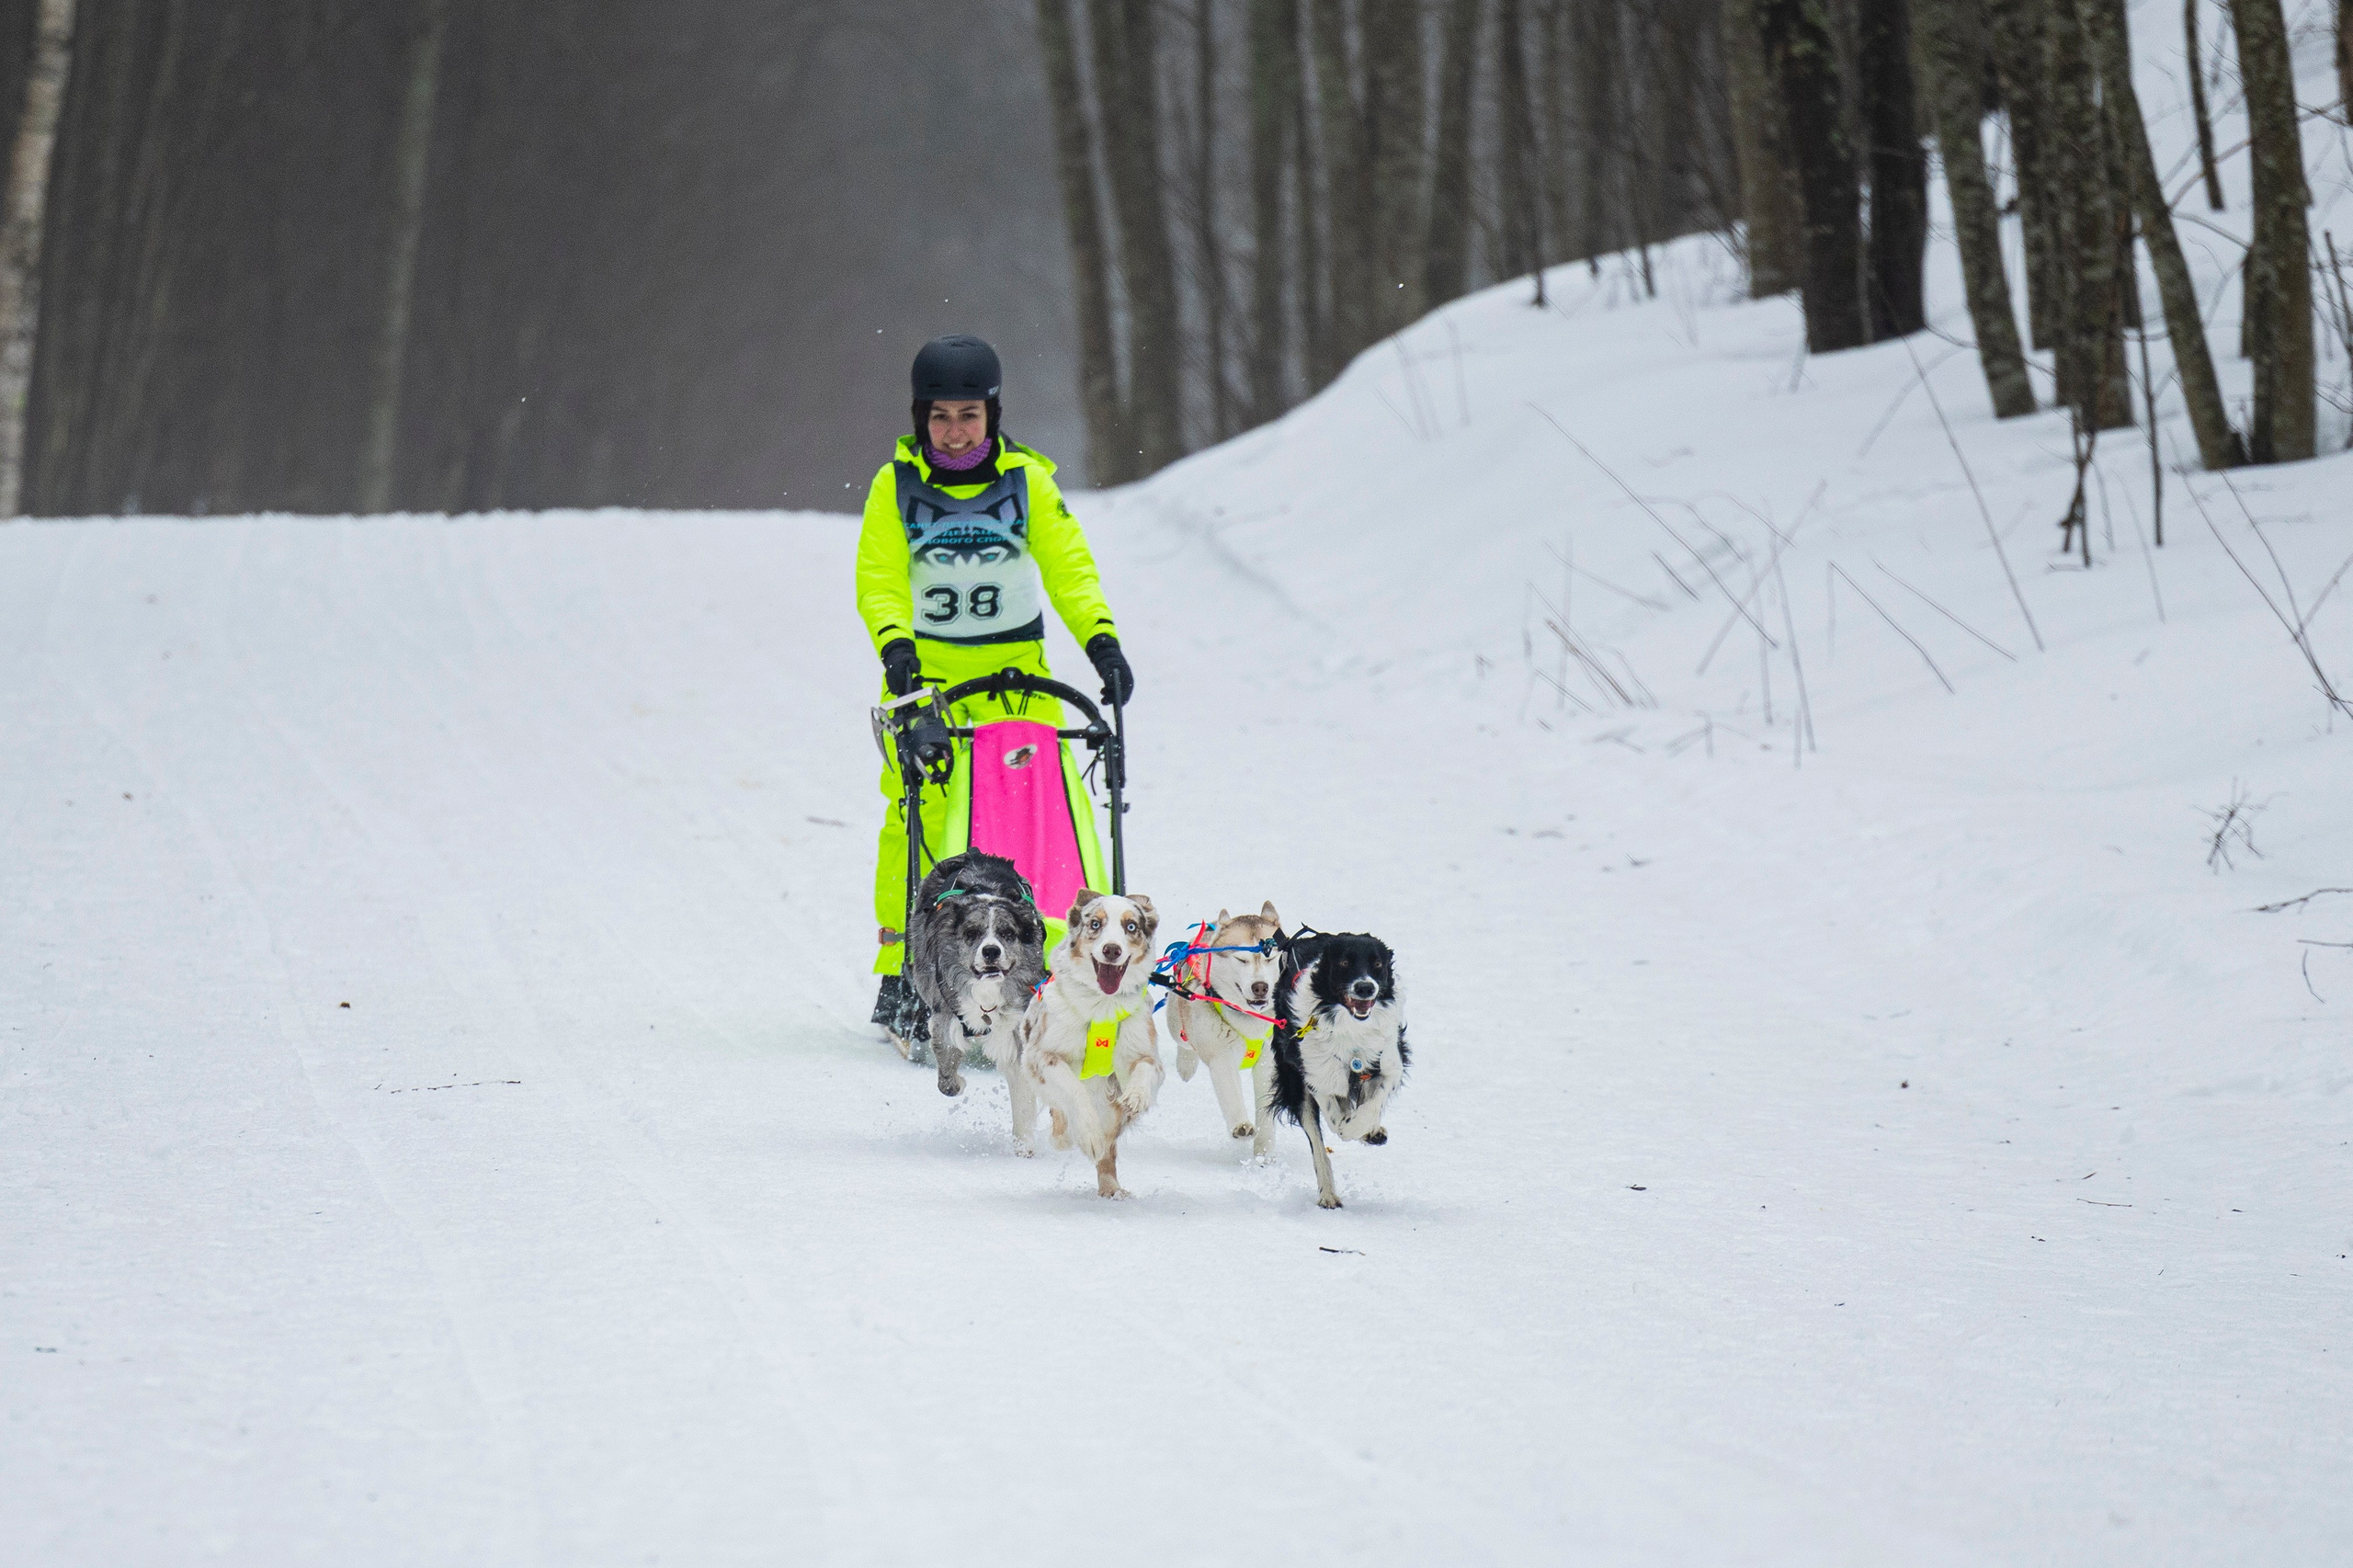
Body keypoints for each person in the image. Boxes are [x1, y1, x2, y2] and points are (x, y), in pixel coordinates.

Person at [858, 334, 1135, 1045]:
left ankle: (1057, 964)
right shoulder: (895, 487)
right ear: (921, 418)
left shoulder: (1028, 483)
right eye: (941, 417)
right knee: (918, 823)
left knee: (1045, 821)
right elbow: (881, 580)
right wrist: (898, 657)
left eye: (969, 416)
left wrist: (1101, 641)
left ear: (992, 414)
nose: (955, 432)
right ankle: (904, 971)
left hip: (1020, 686)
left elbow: (1070, 570)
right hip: (933, 684)